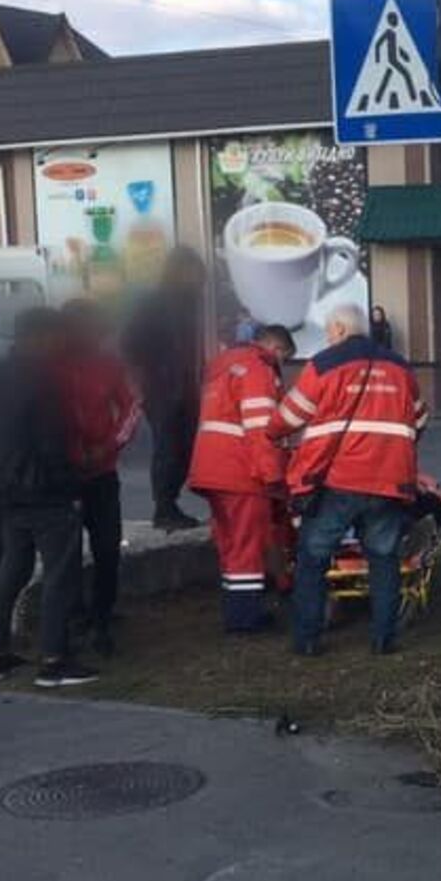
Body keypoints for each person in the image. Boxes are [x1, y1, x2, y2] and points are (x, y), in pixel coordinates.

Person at [271, 304, 427, 656]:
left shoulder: (324, 365)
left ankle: (308, 639)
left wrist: (270, 432)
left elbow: (288, 417)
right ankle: (383, 638)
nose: (327, 337)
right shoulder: (400, 368)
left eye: (329, 331)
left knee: (313, 558)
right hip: (390, 482)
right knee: (383, 559)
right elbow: (419, 420)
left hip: (338, 480)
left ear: (340, 329)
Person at [0, 309, 97, 687]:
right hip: (43, 491)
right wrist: (70, 484)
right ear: (41, 338)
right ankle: (54, 659)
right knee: (60, 574)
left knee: (12, 570)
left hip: (3, 491)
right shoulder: (43, 380)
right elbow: (51, 441)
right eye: (56, 337)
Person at [190, 325, 296, 633]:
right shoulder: (257, 370)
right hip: (239, 471)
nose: (281, 366)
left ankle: (237, 608)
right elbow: (260, 429)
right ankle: (246, 619)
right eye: (284, 358)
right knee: (247, 544)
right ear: (275, 348)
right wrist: (274, 476)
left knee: (230, 542)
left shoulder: (221, 368)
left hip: (211, 469)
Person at [58, 299, 140, 656]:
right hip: (62, 475)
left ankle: (102, 619)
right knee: (65, 552)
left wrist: (108, 447)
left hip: (102, 473)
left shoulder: (109, 365)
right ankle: (74, 617)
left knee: (107, 549)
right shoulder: (50, 366)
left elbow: (133, 407)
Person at [123, 248, 207, 530]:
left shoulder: (191, 304)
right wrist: (147, 378)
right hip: (164, 387)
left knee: (185, 447)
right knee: (169, 447)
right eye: (193, 272)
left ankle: (170, 501)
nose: (197, 278)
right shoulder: (156, 303)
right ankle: (164, 506)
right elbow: (131, 343)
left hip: (185, 387)